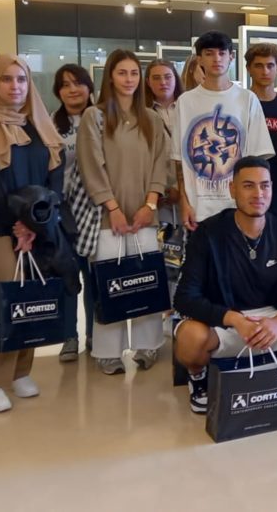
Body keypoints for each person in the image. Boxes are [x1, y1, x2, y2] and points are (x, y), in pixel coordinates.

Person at [173, 157, 277, 414]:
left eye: (265, 186)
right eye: (248, 186)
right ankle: (199, 378)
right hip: (224, 322)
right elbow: (184, 297)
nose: (258, 193)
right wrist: (233, 319)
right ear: (232, 189)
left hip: (270, 323)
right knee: (190, 337)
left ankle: (269, 368)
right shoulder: (207, 234)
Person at [0, 55, 65, 412]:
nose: (15, 86)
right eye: (6, 79)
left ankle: (20, 370)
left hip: (35, 227)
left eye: (21, 79)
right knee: (7, 294)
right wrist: (16, 221)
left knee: (32, 294)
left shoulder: (40, 125)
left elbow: (56, 178)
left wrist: (35, 222)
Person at [77, 50, 170, 374]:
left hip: (145, 215)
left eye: (134, 73)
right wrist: (112, 208)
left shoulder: (153, 119)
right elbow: (92, 165)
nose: (129, 79)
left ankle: (148, 346)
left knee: (146, 282)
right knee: (111, 285)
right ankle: (108, 351)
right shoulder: (95, 116)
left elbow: (161, 163)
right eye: (122, 73)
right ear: (110, 77)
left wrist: (150, 204)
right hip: (108, 218)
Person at [172, 31, 273, 230]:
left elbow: (258, 162)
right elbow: (179, 161)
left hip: (239, 207)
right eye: (209, 53)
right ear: (199, 59)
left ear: (231, 57)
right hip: (199, 208)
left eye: (222, 53)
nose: (216, 59)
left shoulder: (247, 100)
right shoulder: (185, 102)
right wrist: (184, 201)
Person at [51, 64, 97, 360]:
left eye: (78, 83)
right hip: (64, 211)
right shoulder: (50, 124)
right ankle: (69, 336)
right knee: (67, 276)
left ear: (89, 87)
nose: (72, 89)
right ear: (58, 91)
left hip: (97, 209)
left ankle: (95, 335)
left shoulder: (103, 119)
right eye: (65, 84)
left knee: (95, 278)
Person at [245, 43, 277, 216]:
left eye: (270, 66)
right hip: (244, 186)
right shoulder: (239, 106)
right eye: (259, 66)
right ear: (248, 69)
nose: (265, 71)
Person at [145, 59, 184, 229]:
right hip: (156, 194)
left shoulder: (188, 107)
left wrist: (179, 187)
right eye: (156, 78)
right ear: (147, 82)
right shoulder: (141, 113)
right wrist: (163, 190)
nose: (163, 82)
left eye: (168, 77)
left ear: (175, 78)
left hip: (187, 191)